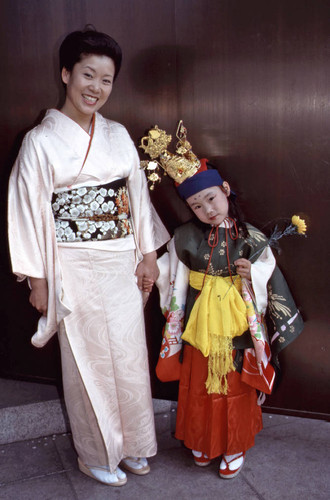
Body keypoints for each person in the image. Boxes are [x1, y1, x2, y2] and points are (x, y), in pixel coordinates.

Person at [8, 28, 169, 487]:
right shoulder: (40, 141)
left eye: (107, 79)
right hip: (72, 263)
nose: (96, 87)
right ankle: (95, 454)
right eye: (87, 75)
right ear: (66, 74)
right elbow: (25, 209)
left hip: (121, 259)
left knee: (128, 356)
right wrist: (37, 280)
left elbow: (135, 197)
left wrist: (147, 255)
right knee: (86, 362)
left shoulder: (118, 135)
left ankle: (134, 445)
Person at [141, 126, 303, 479]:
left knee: (234, 388)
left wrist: (250, 277)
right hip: (201, 326)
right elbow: (171, 275)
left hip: (237, 329)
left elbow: (267, 277)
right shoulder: (184, 237)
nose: (206, 209)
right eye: (196, 205)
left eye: (211, 198)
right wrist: (150, 272)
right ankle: (202, 440)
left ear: (225, 190)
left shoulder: (252, 238)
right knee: (199, 385)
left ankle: (234, 445)